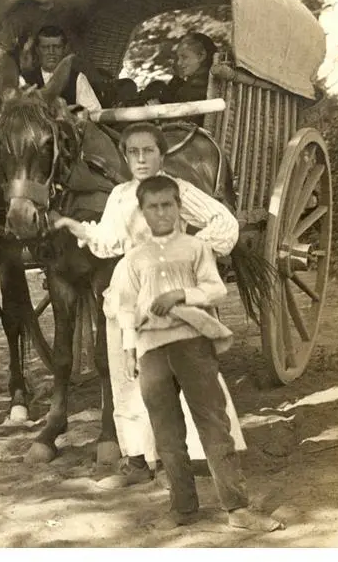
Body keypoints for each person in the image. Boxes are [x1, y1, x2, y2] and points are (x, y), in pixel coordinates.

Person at [52, 122, 242, 488]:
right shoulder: (120, 196)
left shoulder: (178, 191)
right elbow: (107, 242)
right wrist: (77, 228)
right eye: (133, 152)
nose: (140, 158)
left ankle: (198, 462)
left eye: (148, 151)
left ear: (162, 154)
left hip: (171, 296)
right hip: (130, 294)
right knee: (130, 378)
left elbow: (225, 223)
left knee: (186, 375)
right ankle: (138, 461)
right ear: (125, 157)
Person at [109, 176, 282, 532]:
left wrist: (180, 296)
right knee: (167, 433)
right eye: (153, 207)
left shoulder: (195, 249)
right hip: (151, 351)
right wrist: (128, 349)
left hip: (192, 346)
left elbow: (215, 289)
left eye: (168, 205)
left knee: (213, 425)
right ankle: (183, 508)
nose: (161, 213)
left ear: (179, 208)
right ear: (142, 213)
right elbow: (125, 307)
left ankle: (238, 508)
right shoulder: (132, 260)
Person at [20, 25, 102, 113]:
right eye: (45, 48)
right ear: (37, 50)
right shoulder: (23, 80)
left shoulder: (77, 79)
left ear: (65, 49)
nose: (51, 52)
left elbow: (95, 113)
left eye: (57, 47)